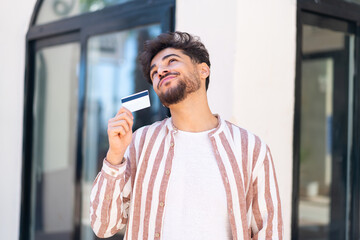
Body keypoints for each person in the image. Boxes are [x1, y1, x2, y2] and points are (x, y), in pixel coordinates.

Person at [90, 31, 283, 240]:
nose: (161, 71)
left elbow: (269, 232)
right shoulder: (140, 142)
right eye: (154, 72)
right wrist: (115, 156)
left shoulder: (250, 148)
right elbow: (103, 226)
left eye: (171, 61)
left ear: (203, 70)